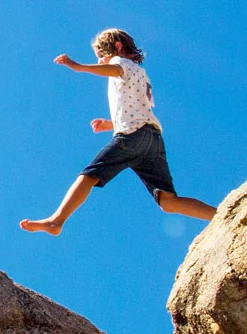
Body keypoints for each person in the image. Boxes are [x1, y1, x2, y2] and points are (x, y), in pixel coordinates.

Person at [21, 29, 219, 235]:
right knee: (168, 201)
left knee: (89, 175)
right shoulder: (139, 74)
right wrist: (111, 124)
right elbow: (137, 110)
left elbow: (115, 69)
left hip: (133, 135)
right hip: (151, 138)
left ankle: (56, 221)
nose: (100, 61)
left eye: (101, 55)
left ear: (117, 47)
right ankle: (219, 215)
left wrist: (78, 67)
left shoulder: (122, 63)